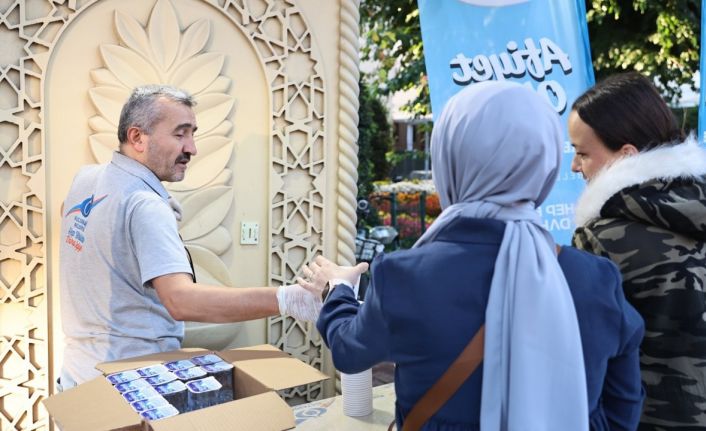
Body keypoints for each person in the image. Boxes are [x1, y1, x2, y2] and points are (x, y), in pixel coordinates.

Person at [301, 81, 645, 430]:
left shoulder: (404, 276)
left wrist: (338, 290)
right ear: (545, 161)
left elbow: (349, 349)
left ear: (450, 158)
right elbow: (623, 406)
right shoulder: (595, 278)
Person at [59, 85, 321, 389]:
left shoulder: (86, 178)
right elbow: (181, 300)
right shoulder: (145, 206)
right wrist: (288, 299)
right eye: (180, 134)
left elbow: (68, 211)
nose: (192, 148)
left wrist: (128, 224)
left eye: (192, 133)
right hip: (129, 388)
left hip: (77, 379)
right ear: (137, 137)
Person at [569, 72, 706, 429]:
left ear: (625, 155)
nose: (574, 166)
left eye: (582, 153)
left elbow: (584, 363)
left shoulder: (601, 239)